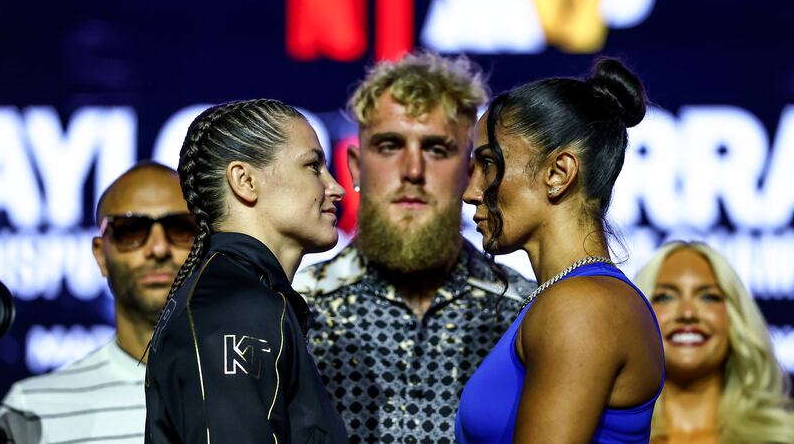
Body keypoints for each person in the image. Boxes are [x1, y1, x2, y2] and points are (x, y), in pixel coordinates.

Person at [292, 52, 535, 444]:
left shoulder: (525, 313)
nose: (413, 170)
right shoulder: (295, 312)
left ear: (471, 172)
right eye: (389, 145)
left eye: (437, 149)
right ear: (355, 165)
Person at [456, 58, 665, 443]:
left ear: (558, 173)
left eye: (488, 164)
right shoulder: (568, 298)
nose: (470, 192)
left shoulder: (583, 306)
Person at [144, 99, 349, 444]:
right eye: (314, 167)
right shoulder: (235, 308)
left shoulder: (238, 297)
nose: (336, 188)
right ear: (245, 181)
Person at [0, 162, 195, 444]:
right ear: (101, 256)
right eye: (130, 230)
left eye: (180, 227)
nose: (158, 248)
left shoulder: (269, 388)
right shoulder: (32, 411)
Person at [634, 241, 794, 444]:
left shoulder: (783, 438)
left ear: (735, 319)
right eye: (665, 297)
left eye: (708, 297)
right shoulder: (604, 436)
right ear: (639, 314)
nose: (687, 313)